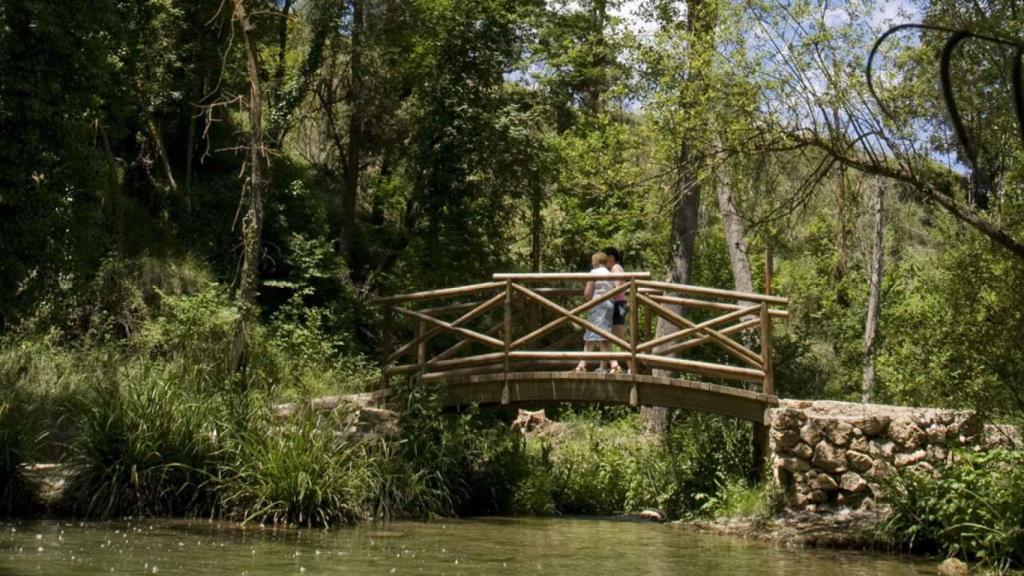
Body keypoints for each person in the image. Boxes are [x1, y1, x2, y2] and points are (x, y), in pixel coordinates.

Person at [575, 251, 621, 373]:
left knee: (601, 336)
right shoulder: (609, 273)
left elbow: (587, 293)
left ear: (594, 262)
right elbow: (615, 289)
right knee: (592, 334)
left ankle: (614, 365)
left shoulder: (594, 272)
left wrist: (589, 300)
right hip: (609, 305)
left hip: (598, 305)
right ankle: (582, 364)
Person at [604, 247, 628, 346]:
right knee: (616, 335)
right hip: (619, 303)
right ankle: (617, 359)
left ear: (611, 258)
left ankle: (628, 360)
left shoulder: (616, 268)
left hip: (618, 304)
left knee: (619, 335)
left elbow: (618, 286)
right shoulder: (618, 268)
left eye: (605, 259)